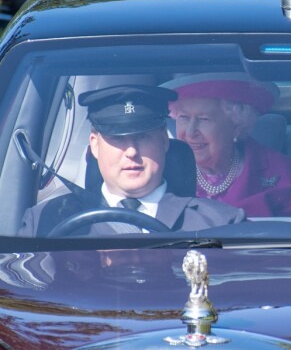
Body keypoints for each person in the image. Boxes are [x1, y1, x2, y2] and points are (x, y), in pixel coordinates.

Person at [19, 85, 246, 237]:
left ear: (164, 141)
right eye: (117, 138)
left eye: (143, 136)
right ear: (94, 145)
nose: (131, 151)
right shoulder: (45, 222)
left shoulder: (219, 224)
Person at [162, 72, 291, 217]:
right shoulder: (159, 170)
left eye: (204, 119)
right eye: (184, 118)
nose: (190, 133)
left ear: (237, 124)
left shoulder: (284, 173)